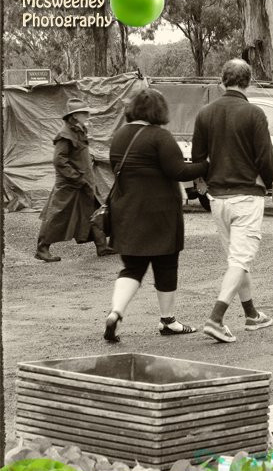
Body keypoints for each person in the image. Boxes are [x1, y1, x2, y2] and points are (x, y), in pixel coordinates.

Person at [103, 89, 209, 342]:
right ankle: (168, 321)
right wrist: (207, 164)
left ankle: (115, 313)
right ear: (158, 111)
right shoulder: (159, 137)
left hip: (126, 213)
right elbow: (179, 171)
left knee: (132, 268)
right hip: (159, 216)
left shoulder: (119, 137)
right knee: (166, 266)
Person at [191, 59, 273, 343]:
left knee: (236, 260)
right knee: (240, 259)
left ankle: (252, 314)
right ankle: (216, 318)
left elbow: (198, 157)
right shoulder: (254, 113)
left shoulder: (205, 113)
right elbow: (266, 158)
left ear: (221, 81)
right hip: (246, 196)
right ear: (248, 82)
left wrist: (202, 186)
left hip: (218, 198)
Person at [35, 98, 115, 262]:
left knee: (94, 211)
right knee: (56, 216)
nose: (87, 115)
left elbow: (77, 154)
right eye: (83, 112)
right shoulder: (65, 134)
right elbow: (59, 161)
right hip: (69, 185)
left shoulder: (79, 130)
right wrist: (76, 177)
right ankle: (42, 249)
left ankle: (101, 246)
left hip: (84, 183)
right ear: (74, 116)